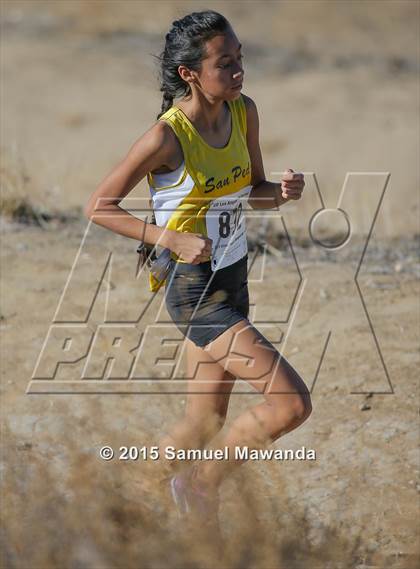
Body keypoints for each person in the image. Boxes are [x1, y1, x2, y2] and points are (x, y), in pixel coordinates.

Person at [84, 10, 311, 531]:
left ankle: (122, 508)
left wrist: (282, 193)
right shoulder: (166, 138)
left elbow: (253, 191)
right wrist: (170, 238)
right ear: (189, 73)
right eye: (224, 63)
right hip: (197, 295)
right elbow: (99, 206)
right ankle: (200, 483)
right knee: (291, 404)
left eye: (240, 59)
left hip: (233, 280)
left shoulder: (244, 111)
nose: (238, 72)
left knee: (202, 422)